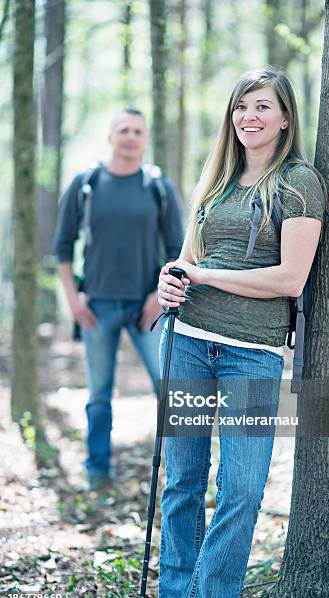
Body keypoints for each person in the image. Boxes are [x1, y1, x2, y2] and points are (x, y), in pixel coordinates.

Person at [156, 67, 327, 598]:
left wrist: (204, 276)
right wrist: (172, 279)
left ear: (284, 118)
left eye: (261, 107)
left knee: (243, 491)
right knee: (182, 483)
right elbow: (191, 259)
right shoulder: (218, 181)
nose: (248, 117)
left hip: (250, 356)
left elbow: (289, 280)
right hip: (186, 342)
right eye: (240, 107)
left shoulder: (299, 182)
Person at [53, 108, 184, 491]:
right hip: (96, 308)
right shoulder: (87, 183)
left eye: (137, 131)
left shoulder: (157, 186)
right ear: (111, 136)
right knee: (98, 393)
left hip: (148, 308)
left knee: (170, 387)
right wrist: (73, 301)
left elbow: (178, 248)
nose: (130, 137)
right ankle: (97, 470)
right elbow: (62, 247)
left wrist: (157, 297)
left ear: (145, 139)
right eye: (123, 130)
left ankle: (180, 473)